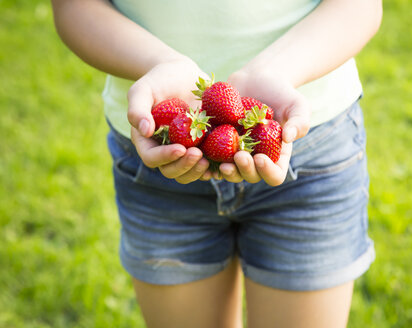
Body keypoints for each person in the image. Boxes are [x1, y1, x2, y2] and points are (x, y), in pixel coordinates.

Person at [51, 0, 383, 327]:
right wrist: (160, 63)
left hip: (312, 156)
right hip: (159, 153)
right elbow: (74, 6)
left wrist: (274, 72)